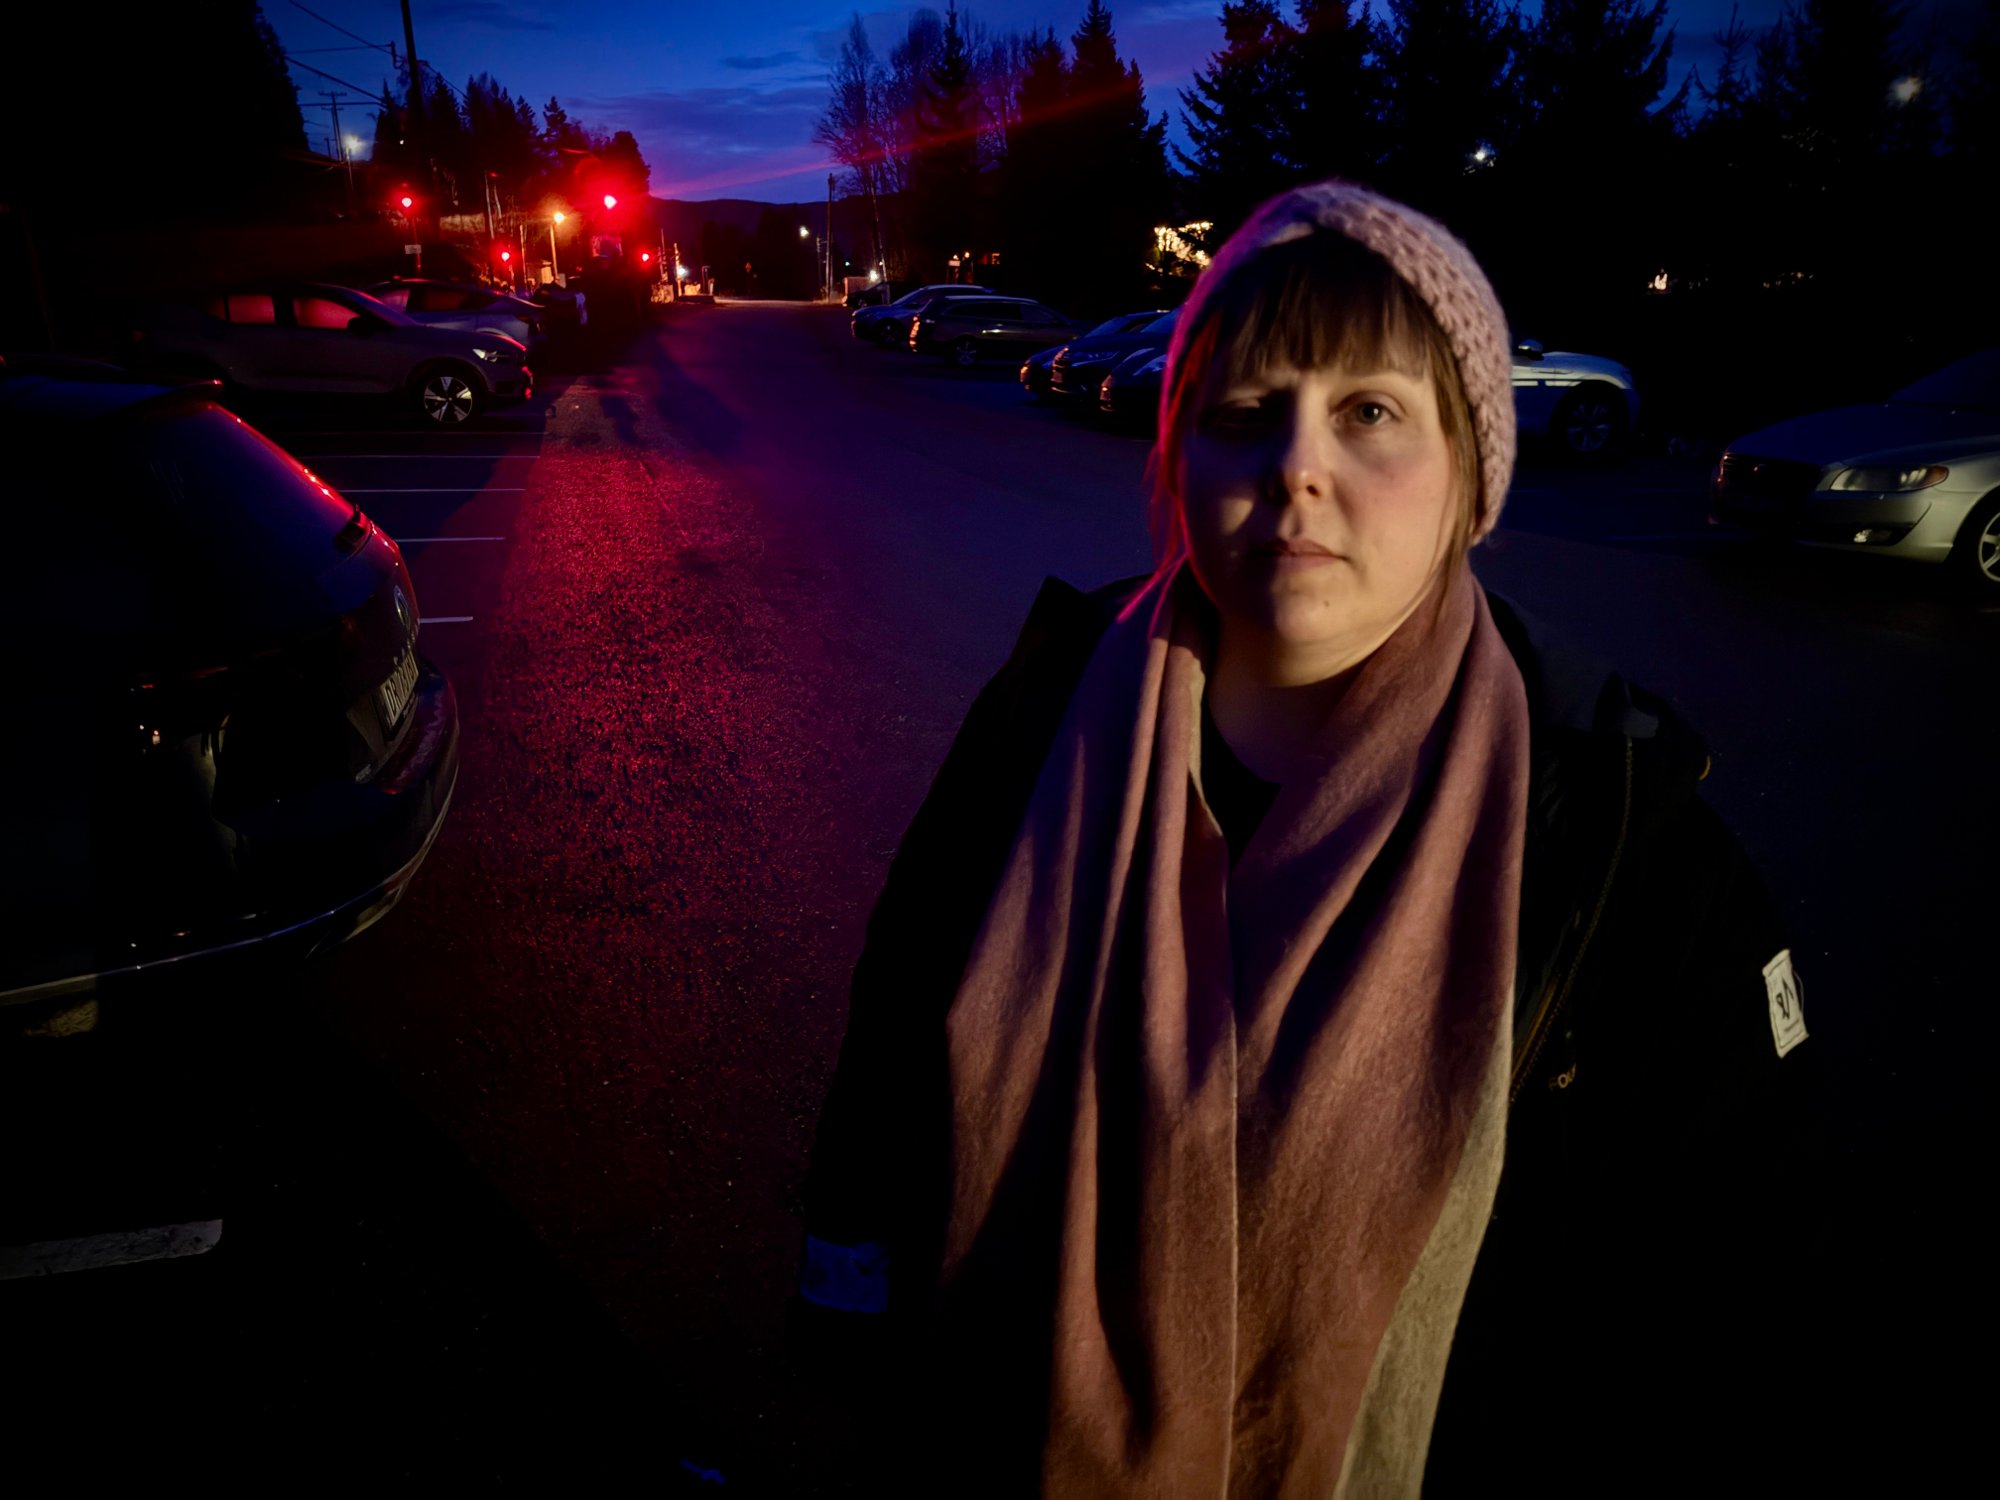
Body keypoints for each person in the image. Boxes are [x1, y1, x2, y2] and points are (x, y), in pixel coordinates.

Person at [797, 182, 1826, 1496]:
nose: (1297, 465)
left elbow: (1738, 1310)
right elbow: (892, 1058)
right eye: (1244, 413)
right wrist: (850, 1340)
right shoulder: (1040, 719)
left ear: (1470, 472)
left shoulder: (1626, 842)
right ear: (1179, 460)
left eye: (1370, 413)